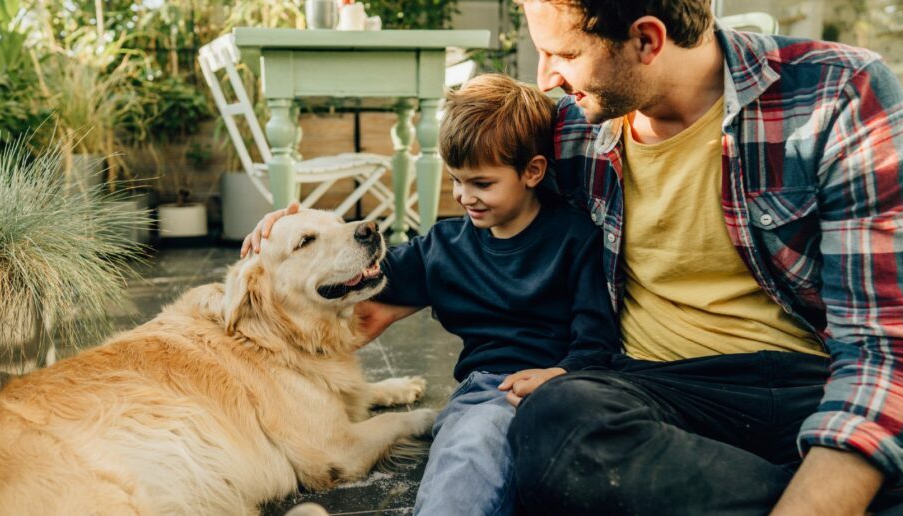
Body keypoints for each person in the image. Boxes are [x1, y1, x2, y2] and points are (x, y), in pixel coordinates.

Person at [500, 0, 903, 514]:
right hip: (663, 395)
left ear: (647, 40)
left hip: (819, 381)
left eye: (563, 53)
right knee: (556, 421)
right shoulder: (573, 125)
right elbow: (484, 211)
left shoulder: (838, 91)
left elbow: (890, 340)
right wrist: (398, 283)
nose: (547, 77)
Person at [241, 73, 620, 515]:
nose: (464, 196)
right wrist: (285, 230)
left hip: (568, 390)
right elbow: (350, 270)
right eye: (456, 180)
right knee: (470, 454)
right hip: (490, 391)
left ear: (532, 171)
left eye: (482, 184)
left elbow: (598, 338)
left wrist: (558, 374)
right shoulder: (442, 248)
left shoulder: (575, 237)